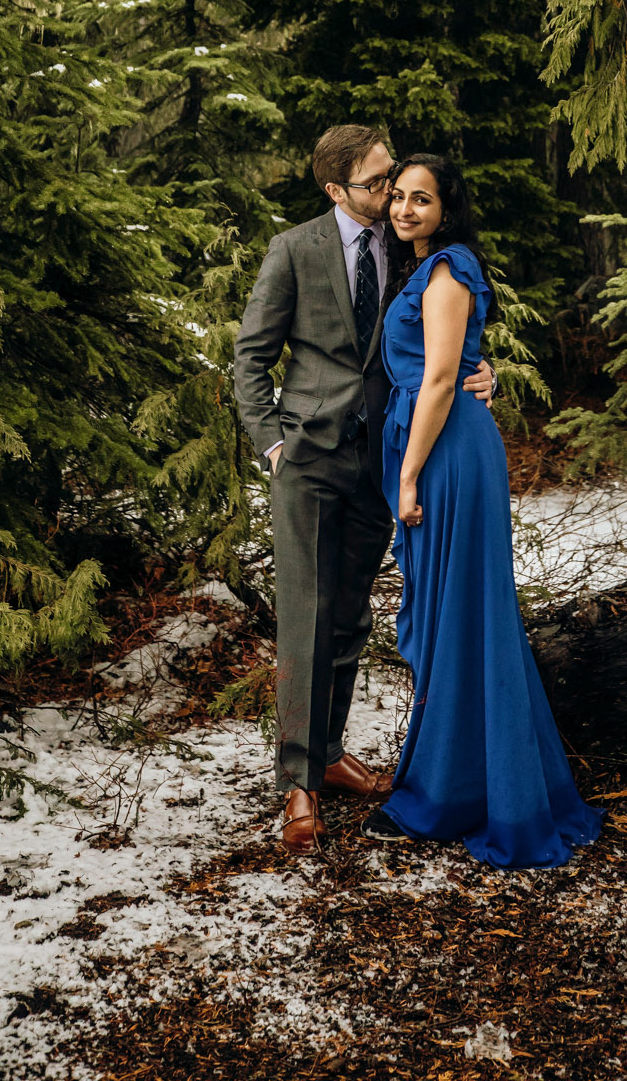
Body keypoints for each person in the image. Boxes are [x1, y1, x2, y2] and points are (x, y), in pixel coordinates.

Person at [233, 125, 498, 854]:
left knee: (349, 619)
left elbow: (439, 342)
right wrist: (274, 444)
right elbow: (249, 358)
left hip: (376, 464)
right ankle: (298, 786)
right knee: (304, 621)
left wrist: (483, 373)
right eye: (377, 184)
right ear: (335, 191)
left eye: (394, 180)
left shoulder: (408, 249)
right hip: (309, 461)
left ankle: (329, 756)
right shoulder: (294, 250)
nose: (390, 195)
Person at [369, 153, 602, 869]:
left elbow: (441, 378)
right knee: (453, 617)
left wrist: (407, 477)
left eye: (422, 200)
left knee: (466, 618)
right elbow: (456, 361)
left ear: (447, 209)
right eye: (399, 197)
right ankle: (463, 782)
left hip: (444, 455)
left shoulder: (446, 270)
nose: (406, 210)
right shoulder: (427, 268)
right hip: (440, 444)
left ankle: (454, 796)